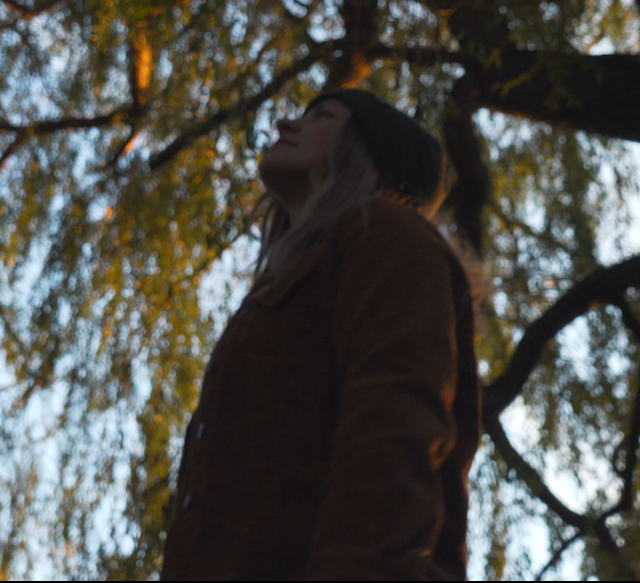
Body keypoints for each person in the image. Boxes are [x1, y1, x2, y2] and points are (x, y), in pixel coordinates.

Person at [161, 88, 480, 581]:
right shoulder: (272, 300)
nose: (285, 124)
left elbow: (392, 427)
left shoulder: (391, 235)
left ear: (368, 155)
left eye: (322, 117)